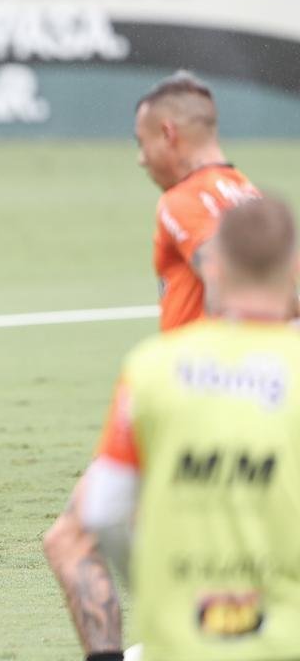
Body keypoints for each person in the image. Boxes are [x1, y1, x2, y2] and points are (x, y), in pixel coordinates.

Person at [43, 71, 261, 657]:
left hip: (194, 410)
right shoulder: (249, 195)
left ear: (169, 134)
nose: (140, 160)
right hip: (262, 406)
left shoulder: (183, 201)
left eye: (142, 144)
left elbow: (230, 286)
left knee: (71, 540)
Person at [64, 195, 300, 660]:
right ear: (294, 268)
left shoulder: (152, 368)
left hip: (179, 641)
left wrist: (155, 582)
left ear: (214, 269)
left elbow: (104, 509)